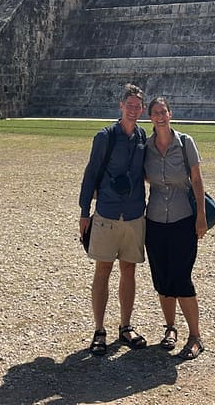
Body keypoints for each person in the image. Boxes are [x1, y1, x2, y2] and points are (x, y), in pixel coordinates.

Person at [78, 83, 149, 356]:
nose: (133, 110)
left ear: (142, 109)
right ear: (120, 106)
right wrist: (85, 211)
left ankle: (126, 325)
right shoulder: (105, 136)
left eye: (137, 106)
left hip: (133, 214)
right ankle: (99, 329)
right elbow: (91, 173)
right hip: (107, 212)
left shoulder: (143, 137)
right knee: (103, 270)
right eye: (128, 105)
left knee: (129, 271)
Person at [143, 95, 207, 360]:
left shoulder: (185, 143)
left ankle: (195, 336)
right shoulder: (146, 146)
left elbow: (197, 179)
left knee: (181, 277)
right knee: (162, 278)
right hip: (155, 220)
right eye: (155, 112)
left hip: (183, 218)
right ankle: (170, 328)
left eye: (163, 111)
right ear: (151, 117)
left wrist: (201, 216)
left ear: (170, 114)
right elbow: (140, 177)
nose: (160, 116)